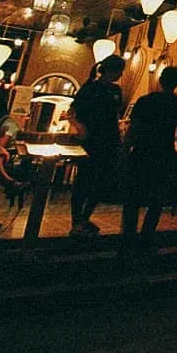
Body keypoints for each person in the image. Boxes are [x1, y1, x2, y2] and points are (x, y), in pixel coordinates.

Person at [120, 66, 177, 256]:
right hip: (164, 153)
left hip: (142, 152)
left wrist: (125, 151)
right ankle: (146, 239)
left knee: (133, 199)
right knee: (156, 201)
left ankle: (127, 239)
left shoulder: (145, 101)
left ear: (160, 79)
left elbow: (133, 129)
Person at [68, 55, 125, 239]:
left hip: (110, 139)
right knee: (84, 180)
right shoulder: (90, 88)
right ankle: (76, 221)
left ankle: (84, 218)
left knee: (102, 181)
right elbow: (72, 112)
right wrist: (80, 127)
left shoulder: (116, 90)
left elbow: (115, 116)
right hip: (91, 140)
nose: (120, 74)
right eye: (119, 71)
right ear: (111, 70)